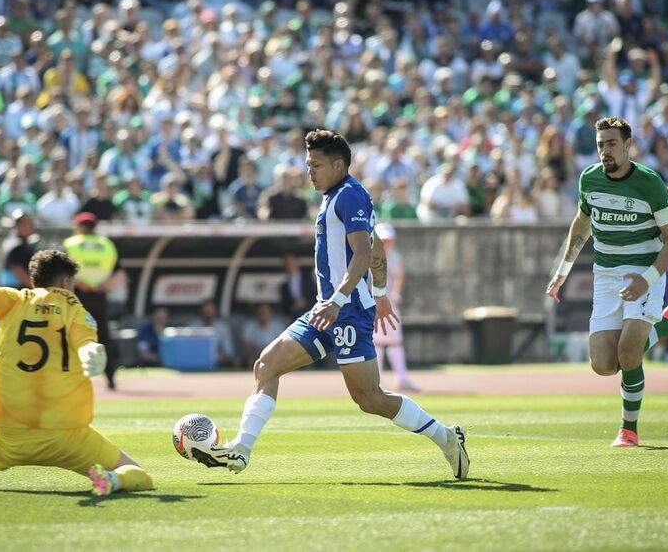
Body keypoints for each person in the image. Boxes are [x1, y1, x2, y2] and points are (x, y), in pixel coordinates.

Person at [199, 129, 469, 479]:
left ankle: (446, 437)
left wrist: (348, 299)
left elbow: (361, 253)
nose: (308, 171)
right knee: (266, 365)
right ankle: (241, 450)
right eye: (307, 163)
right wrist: (380, 294)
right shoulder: (336, 195)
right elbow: (375, 248)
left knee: (369, 398)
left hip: (347, 312)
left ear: (339, 165)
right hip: (327, 309)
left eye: (316, 164)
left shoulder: (350, 196)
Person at [0, 221, 153, 496]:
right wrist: (90, 353)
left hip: (10, 435)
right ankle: (110, 481)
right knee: (140, 476)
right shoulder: (75, 309)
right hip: (68, 436)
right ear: (67, 282)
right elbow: (85, 343)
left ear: (35, 280)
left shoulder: (14, 301)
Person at [546, 116, 668, 448]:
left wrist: (648, 279)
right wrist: (563, 270)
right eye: (601, 145)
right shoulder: (589, 179)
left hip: (645, 272)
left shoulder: (649, 183)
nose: (605, 151)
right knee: (603, 365)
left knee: (629, 354)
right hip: (606, 276)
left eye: (612, 144)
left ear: (628, 145)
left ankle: (628, 430)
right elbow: (581, 224)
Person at [63, 212, 122, 390]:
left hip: (78, 295)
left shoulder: (71, 244)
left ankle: (70, 378)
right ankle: (110, 378)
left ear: (79, 226)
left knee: (71, 335)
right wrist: (104, 285)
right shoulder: (106, 245)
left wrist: (80, 283)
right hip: (100, 296)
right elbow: (120, 273)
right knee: (103, 337)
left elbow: (63, 271)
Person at [372, 223, 418, 392]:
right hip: (373, 303)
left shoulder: (395, 256)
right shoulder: (370, 256)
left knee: (396, 342)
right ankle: (376, 380)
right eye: (383, 239)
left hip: (390, 304)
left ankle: (402, 379)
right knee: (375, 343)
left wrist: (396, 295)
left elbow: (400, 277)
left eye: (389, 239)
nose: (387, 242)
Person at [0, 211, 38, 288]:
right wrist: (36, 288)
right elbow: (19, 272)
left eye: (30, 224)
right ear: (16, 226)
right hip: (17, 290)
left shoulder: (16, 241)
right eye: (25, 224)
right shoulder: (17, 245)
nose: (29, 226)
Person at [279, 253, 317, 318]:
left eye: (291, 262)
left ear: (297, 262)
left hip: (312, 315)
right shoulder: (284, 286)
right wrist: (293, 307)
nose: (289, 265)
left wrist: (305, 302)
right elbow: (285, 307)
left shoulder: (308, 279)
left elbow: (315, 295)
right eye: (287, 263)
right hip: (295, 318)